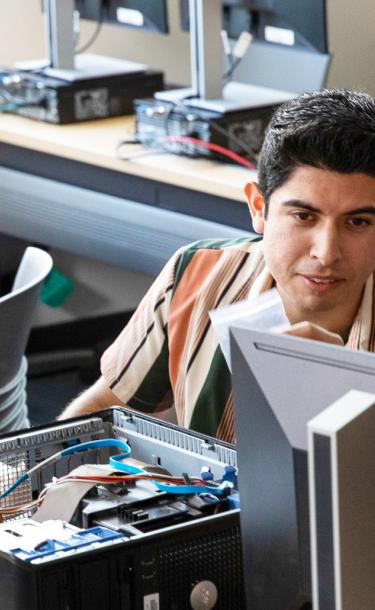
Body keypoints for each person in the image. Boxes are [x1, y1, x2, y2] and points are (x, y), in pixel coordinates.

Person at [59, 89, 375, 443]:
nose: (327, 252)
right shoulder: (194, 274)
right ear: (258, 207)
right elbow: (105, 410)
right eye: (303, 216)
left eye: (358, 222)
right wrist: (25, 480)